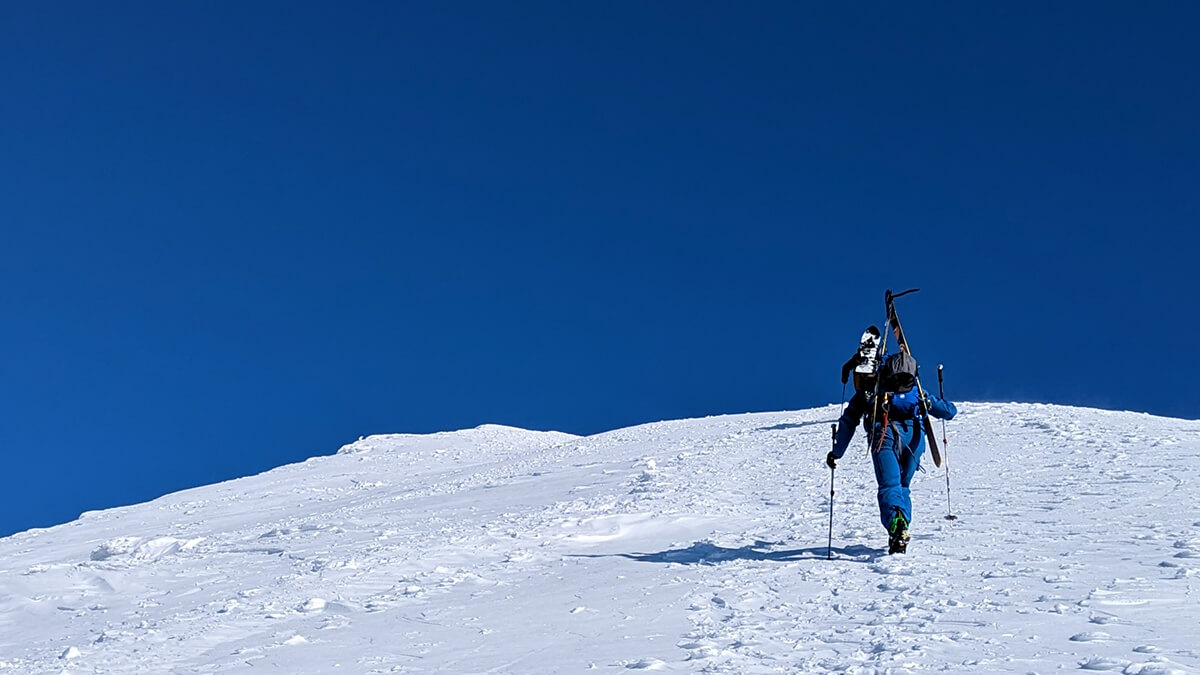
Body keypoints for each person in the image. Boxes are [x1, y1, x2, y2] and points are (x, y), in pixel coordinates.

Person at [826, 348, 957, 554]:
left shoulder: (872, 388)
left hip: (885, 434)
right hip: (914, 440)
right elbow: (950, 411)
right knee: (903, 487)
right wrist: (929, 403)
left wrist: (837, 452)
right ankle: (901, 528)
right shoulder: (916, 389)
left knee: (890, 485)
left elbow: (850, 419)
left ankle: (897, 527)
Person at [841, 325, 881, 393]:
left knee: (862, 393)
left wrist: (844, 378)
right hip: (867, 378)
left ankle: (865, 395)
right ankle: (867, 394)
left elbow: (846, 367)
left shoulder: (858, 356)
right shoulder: (859, 357)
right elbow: (846, 367)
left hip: (863, 379)